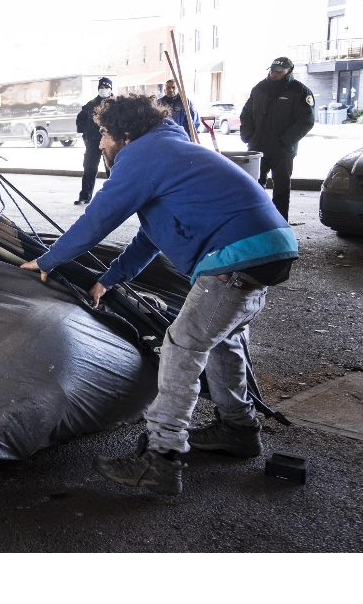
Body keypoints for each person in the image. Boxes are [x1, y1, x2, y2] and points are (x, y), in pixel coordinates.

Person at [21, 94, 298, 496]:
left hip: (234, 257)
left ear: (126, 134)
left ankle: (160, 460)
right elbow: (150, 236)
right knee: (224, 340)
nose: (99, 144)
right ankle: (238, 430)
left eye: (103, 134)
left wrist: (48, 261)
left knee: (183, 345)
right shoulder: (171, 148)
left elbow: (98, 219)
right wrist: (110, 278)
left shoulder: (142, 155)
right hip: (269, 248)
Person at [240, 56, 315, 221]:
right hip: (257, 149)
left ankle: (280, 224)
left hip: (283, 151)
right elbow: (246, 114)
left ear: (289, 71)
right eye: (272, 70)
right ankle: (255, 222)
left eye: (278, 71)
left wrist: (285, 141)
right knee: (254, 187)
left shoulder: (299, 91)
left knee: (281, 191)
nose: (274, 73)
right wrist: (248, 136)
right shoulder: (259, 88)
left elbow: (306, 121)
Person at [74, 77, 112, 205]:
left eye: (106, 87)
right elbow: (80, 121)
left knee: (112, 170)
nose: (104, 90)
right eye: (101, 87)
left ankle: (113, 196)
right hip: (93, 142)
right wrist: (86, 135)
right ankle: (85, 196)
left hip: (110, 143)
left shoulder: (117, 104)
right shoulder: (90, 105)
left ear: (110, 89)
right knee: (89, 168)